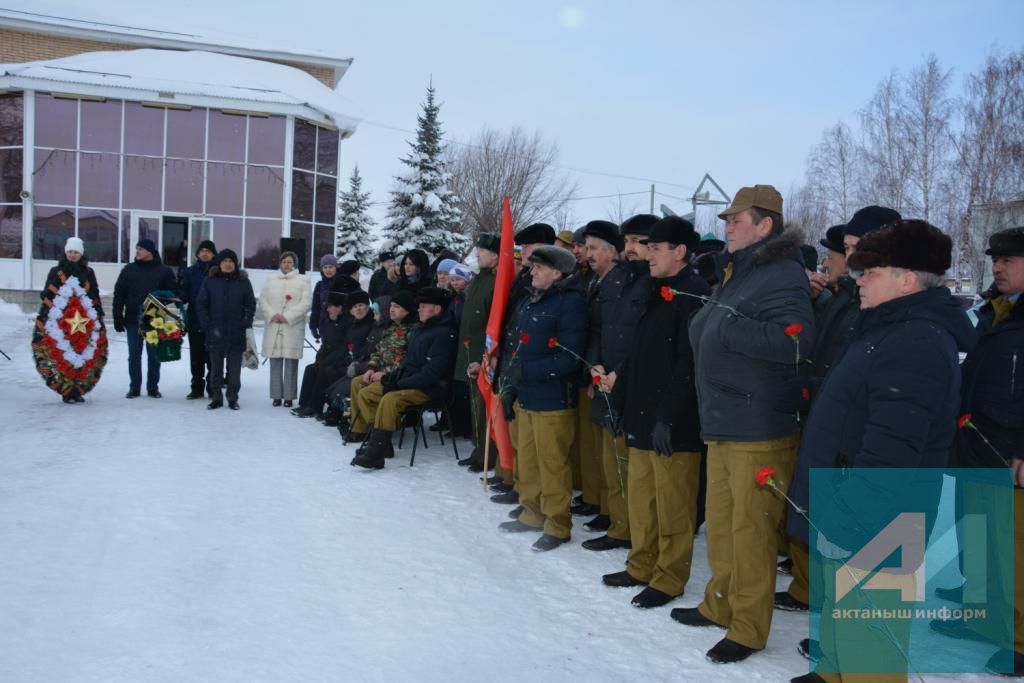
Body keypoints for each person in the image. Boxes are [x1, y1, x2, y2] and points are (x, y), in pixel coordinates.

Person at [787, 220, 973, 683]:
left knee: (871, 644)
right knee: (842, 613)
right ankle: (831, 669)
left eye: (870, 272)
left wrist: (854, 516)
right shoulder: (884, 327)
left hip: (881, 517)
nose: (858, 280)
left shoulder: (917, 340)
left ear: (907, 279)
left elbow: (893, 449)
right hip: (849, 498)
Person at [676, 184, 815, 664]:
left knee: (751, 533)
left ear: (765, 226)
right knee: (721, 526)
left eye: (736, 219)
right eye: (727, 219)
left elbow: (795, 341)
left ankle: (749, 628)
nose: (727, 225)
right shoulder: (738, 272)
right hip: (723, 420)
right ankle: (720, 604)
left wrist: (726, 328)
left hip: (758, 427)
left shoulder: (780, 273)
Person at [778, 207, 900, 613]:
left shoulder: (898, 322)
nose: (847, 260)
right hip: (828, 420)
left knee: (856, 543)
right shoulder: (846, 299)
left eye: (852, 249)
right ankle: (820, 603)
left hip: (859, 446)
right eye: (845, 250)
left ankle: (841, 622)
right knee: (823, 526)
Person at [930, 226, 1024, 678]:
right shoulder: (995, 311)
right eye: (996, 259)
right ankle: (985, 618)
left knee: (1015, 548)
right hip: (978, 441)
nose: (998, 267)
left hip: (1012, 451)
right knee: (979, 536)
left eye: (1009, 260)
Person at [604, 216, 708, 609]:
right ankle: (641, 563)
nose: (647, 255)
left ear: (680, 252)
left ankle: (669, 577)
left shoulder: (694, 293)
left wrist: (669, 416)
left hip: (673, 420)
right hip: (641, 411)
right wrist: (622, 392)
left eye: (656, 249)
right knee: (643, 498)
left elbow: (688, 362)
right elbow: (638, 349)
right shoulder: (653, 288)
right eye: (647, 248)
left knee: (673, 504)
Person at [497, 245, 588, 551]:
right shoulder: (532, 301)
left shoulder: (570, 303)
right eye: (532, 267)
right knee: (529, 461)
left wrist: (527, 371)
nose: (531, 271)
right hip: (526, 395)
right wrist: (512, 383)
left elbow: (570, 358)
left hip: (553, 400)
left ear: (557, 273)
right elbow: (517, 346)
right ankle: (532, 512)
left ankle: (557, 524)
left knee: (552, 465)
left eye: (538, 268)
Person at [350, 287, 458, 469]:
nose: (419, 309)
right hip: (409, 381)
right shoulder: (419, 329)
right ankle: (381, 444)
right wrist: (391, 378)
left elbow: (431, 373)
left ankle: (376, 453)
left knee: (390, 398)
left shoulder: (444, 334)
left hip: (431, 388)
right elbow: (407, 363)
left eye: (424, 306)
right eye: (419, 306)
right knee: (368, 393)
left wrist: (398, 384)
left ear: (437, 309)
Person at [488, 223, 558, 504]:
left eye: (527, 247)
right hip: (513, 359)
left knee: (536, 447)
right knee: (516, 430)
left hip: (535, 369)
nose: (523, 252)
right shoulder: (525, 278)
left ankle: (527, 492)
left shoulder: (552, 285)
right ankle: (516, 481)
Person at [581, 219, 633, 551]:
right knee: (606, 460)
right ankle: (613, 517)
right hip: (601, 378)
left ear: (611, 252)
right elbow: (597, 332)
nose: (586, 255)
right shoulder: (599, 284)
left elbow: (629, 337)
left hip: (619, 384)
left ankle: (623, 527)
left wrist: (615, 371)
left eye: (592, 248)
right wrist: (592, 365)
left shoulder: (624, 285)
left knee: (619, 462)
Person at [36, 236, 106, 403]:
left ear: (81, 254)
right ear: (65, 252)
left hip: (84, 322)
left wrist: (98, 315)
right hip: (61, 322)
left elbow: (94, 293)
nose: (73, 255)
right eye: (70, 252)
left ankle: (78, 389)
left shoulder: (88, 272)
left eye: (76, 252)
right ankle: (66, 390)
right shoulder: (56, 271)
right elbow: (48, 292)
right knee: (62, 352)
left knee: (81, 353)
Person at [341, 290, 418, 441]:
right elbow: (378, 352)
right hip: (381, 373)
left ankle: (378, 434)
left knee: (366, 392)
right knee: (357, 382)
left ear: (407, 310)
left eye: (397, 306)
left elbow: (406, 361)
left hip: (395, 377)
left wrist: (385, 374)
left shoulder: (412, 331)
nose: (392, 309)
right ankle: (359, 429)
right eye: (391, 306)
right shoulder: (391, 327)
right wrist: (371, 368)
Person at [455, 233, 499, 472]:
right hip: (469, 348)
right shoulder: (478, 278)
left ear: (494, 255)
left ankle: (487, 453)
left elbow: (492, 322)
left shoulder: (495, 281)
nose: (478, 254)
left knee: (484, 407)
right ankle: (478, 448)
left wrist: (484, 354)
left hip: (483, 351)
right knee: (475, 405)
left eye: (482, 250)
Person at [112, 238, 178, 399]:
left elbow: (173, 293)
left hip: (155, 321)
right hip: (133, 320)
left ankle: (153, 387)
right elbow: (119, 294)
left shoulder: (164, 271)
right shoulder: (129, 269)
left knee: (154, 356)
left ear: (150, 251)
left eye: (141, 249)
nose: (137, 252)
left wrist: (162, 301)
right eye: (137, 249)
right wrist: (117, 316)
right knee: (134, 355)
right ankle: (134, 387)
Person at [195, 249, 255, 410]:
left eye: (231, 261)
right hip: (215, 332)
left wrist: (246, 321)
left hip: (236, 332)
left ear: (235, 264)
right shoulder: (210, 281)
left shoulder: (243, 282)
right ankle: (216, 398)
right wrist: (207, 324)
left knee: (234, 370)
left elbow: (250, 304)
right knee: (216, 370)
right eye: (224, 260)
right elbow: (201, 304)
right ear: (219, 263)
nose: (228, 264)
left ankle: (233, 397)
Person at [259, 251, 312, 407]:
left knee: (290, 362)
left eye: (289, 262)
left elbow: (306, 302)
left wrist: (288, 316)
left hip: (292, 326)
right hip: (274, 324)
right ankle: (276, 395)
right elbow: (263, 300)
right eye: (284, 262)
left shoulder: (303, 280)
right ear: (280, 264)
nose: (286, 265)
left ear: (294, 264)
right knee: (275, 362)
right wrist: (272, 314)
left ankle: (289, 396)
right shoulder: (270, 280)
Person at [179, 239, 217, 400]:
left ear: (213, 254)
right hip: (195, 321)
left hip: (214, 323)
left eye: (208, 250)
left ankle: (212, 386)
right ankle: (196, 387)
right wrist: (177, 297)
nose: (205, 253)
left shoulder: (218, 272)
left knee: (213, 358)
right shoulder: (189, 272)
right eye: (202, 250)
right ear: (197, 253)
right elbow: (183, 294)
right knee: (196, 358)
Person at [308, 254, 338, 342]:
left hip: (340, 325)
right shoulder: (319, 285)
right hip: (324, 325)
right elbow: (316, 307)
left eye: (331, 267)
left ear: (336, 267)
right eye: (325, 267)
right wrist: (313, 326)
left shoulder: (342, 283)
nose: (328, 270)